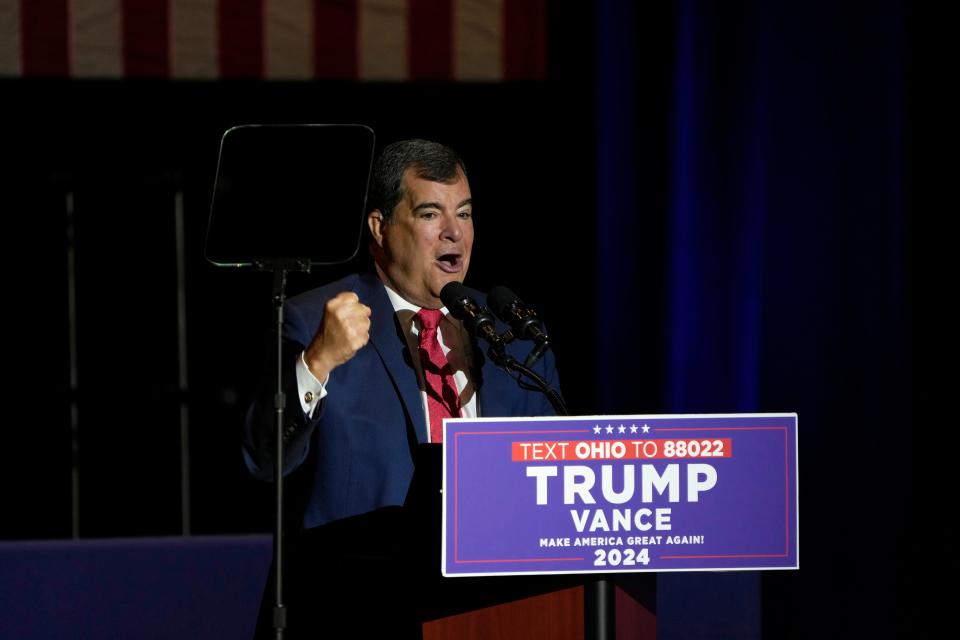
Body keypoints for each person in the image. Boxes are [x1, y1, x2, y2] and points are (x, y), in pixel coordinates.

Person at [244, 139, 560, 637]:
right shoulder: (314, 322)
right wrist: (317, 362)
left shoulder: (509, 334)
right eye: (431, 213)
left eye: (465, 212)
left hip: (499, 611)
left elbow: (554, 491)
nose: (454, 232)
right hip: (355, 610)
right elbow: (265, 462)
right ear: (381, 227)